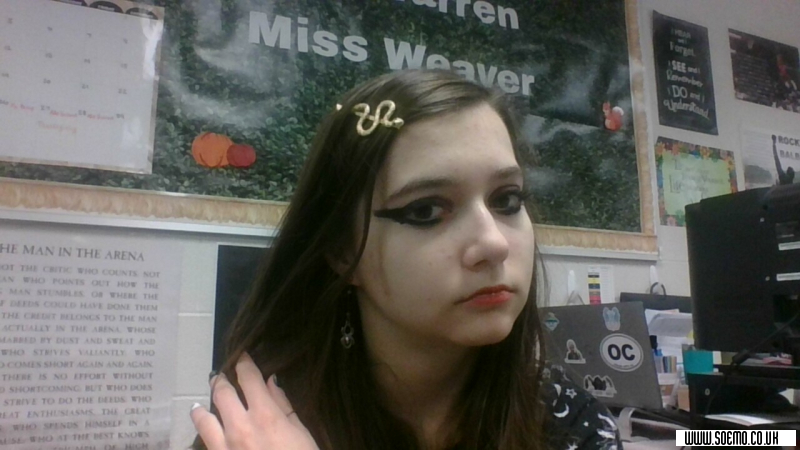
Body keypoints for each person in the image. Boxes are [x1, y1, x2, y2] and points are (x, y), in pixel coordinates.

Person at [190, 69, 621, 450]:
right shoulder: (261, 426)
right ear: (342, 251)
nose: (494, 244)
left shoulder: (567, 420)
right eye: (426, 210)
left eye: (507, 200)